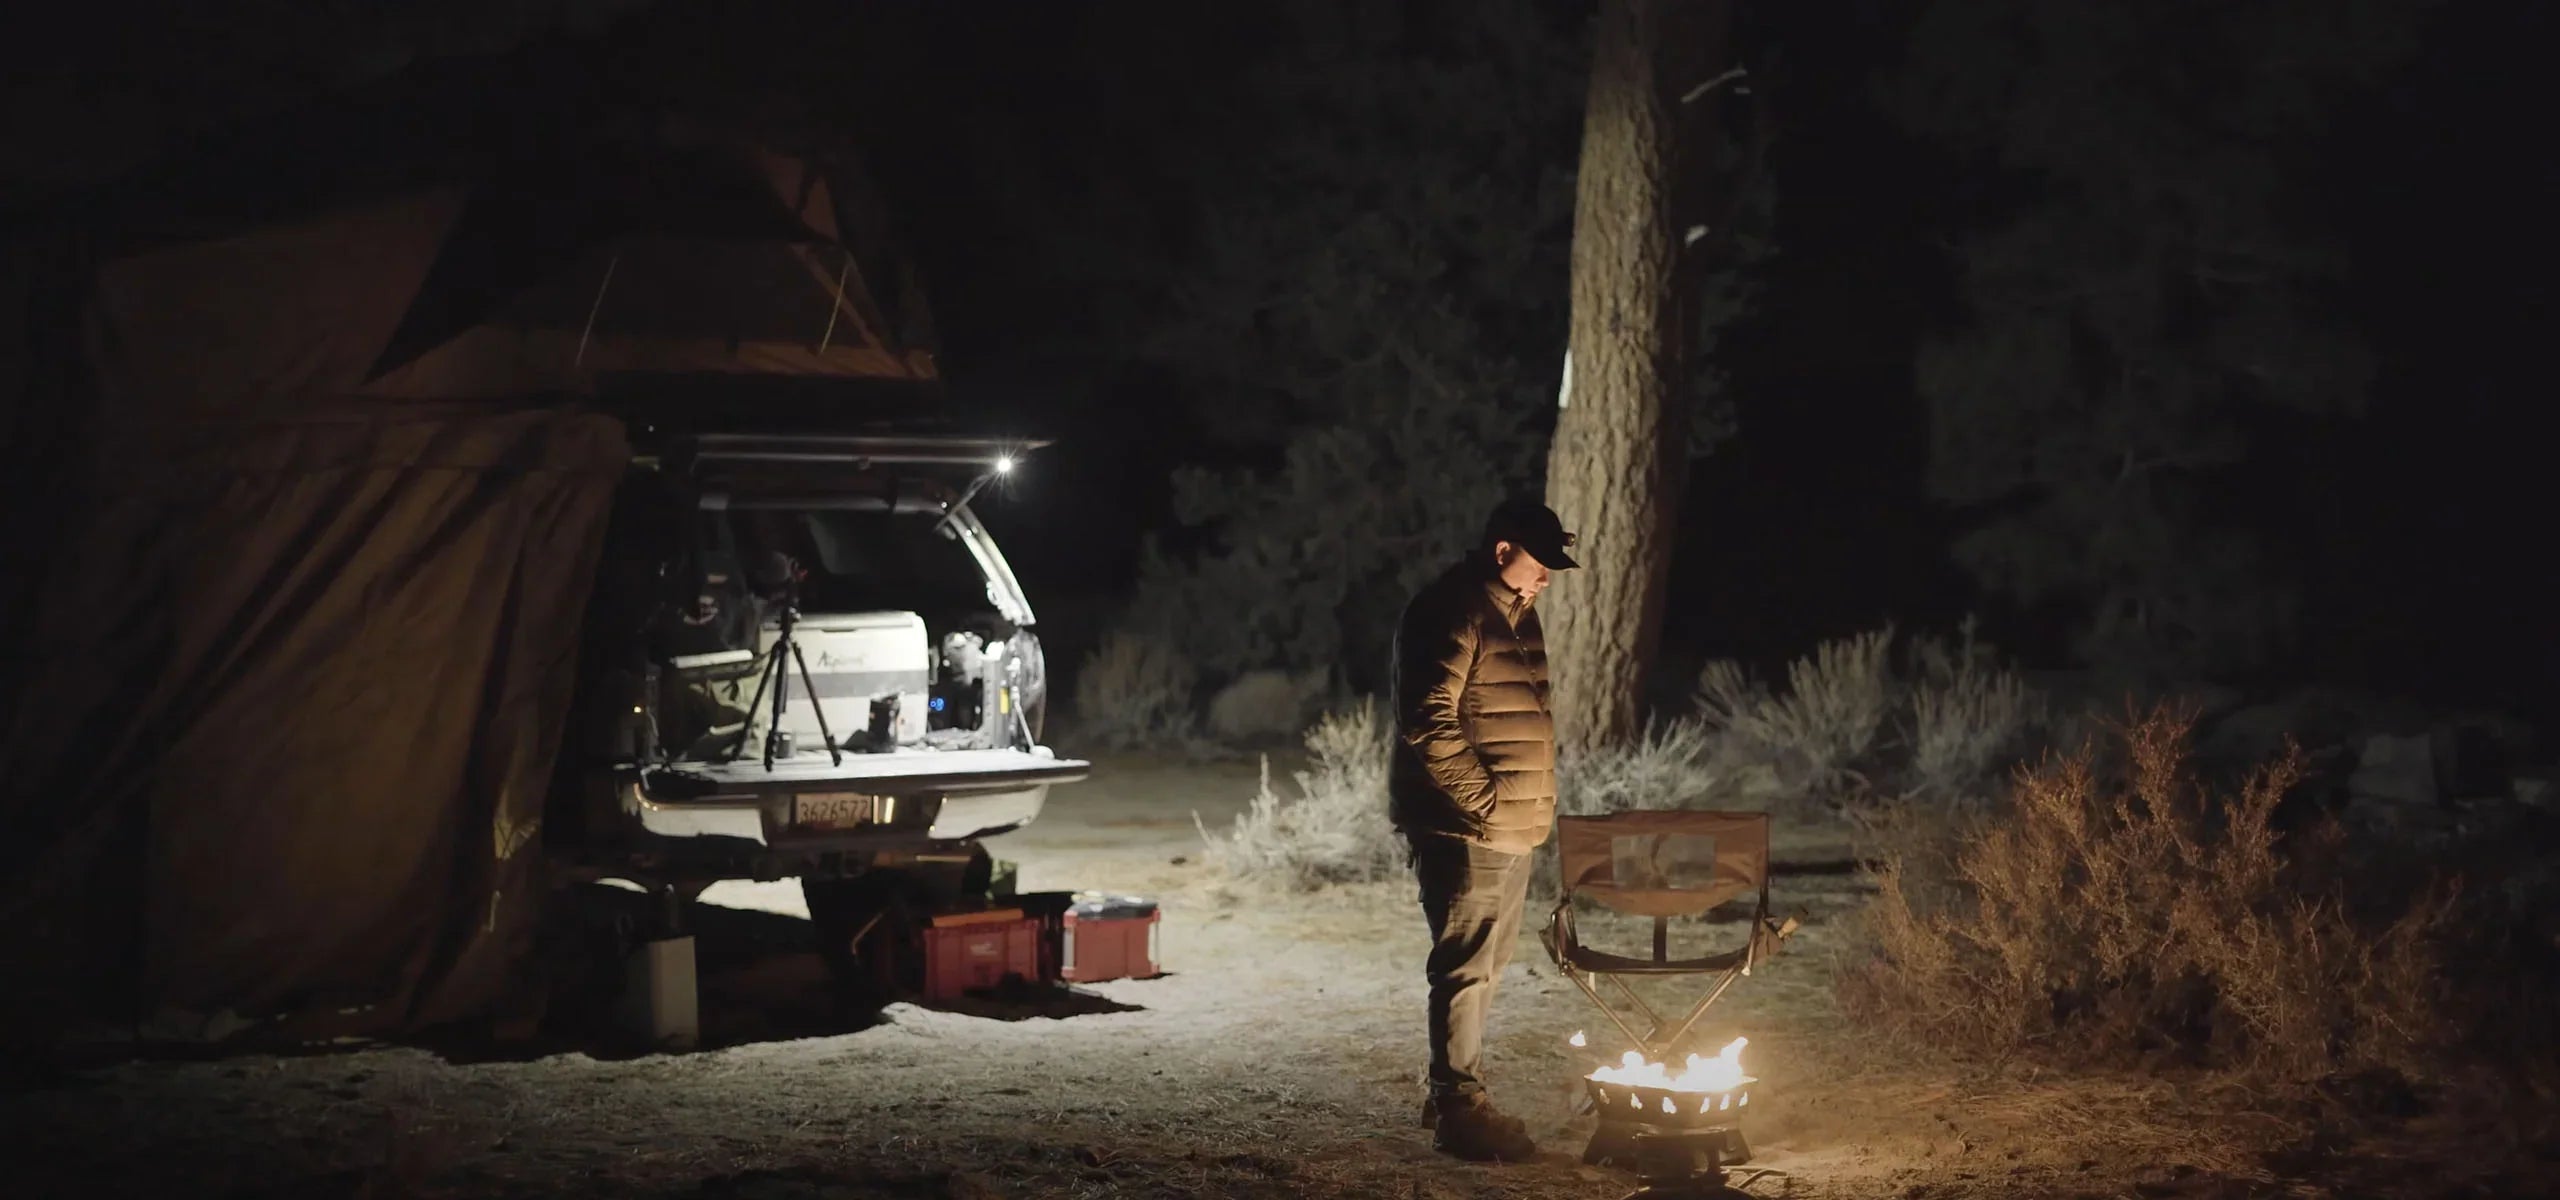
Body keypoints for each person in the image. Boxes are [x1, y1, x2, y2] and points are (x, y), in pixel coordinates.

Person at [1389, 496, 1578, 1162]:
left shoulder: (1516, 616)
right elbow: (1429, 721)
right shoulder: (1452, 610)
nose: (1548, 577)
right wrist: (1489, 803)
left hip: (1507, 828)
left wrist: (1522, 811)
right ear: (1503, 552)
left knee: (1486, 968)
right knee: (1466, 969)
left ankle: (1450, 1093)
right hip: (1466, 828)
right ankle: (1460, 1109)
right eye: (1540, 562)